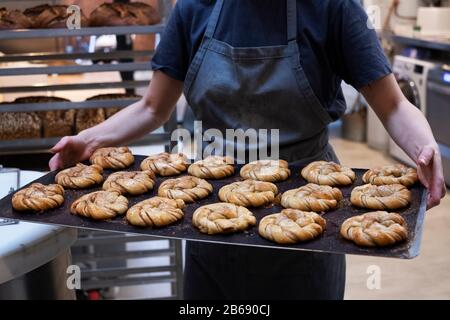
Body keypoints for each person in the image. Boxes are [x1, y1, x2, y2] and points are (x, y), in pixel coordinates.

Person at [50, 0, 446, 299]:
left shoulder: (331, 6)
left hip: (310, 212)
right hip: (210, 216)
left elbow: (391, 105)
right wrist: (91, 140)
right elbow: (153, 107)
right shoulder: (194, 7)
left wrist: (424, 147)